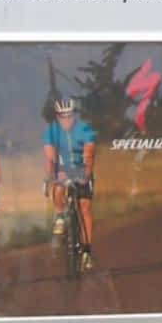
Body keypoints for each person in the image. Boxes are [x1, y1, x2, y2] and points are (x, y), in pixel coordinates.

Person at [42, 97, 97, 269]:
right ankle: (59, 215)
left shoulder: (85, 129)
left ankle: (87, 251)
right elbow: (49, 156)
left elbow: (89, 154)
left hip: (82, 167)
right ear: (57, 116)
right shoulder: (51, 131)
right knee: (58, 188)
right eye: (62, 116)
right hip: (62, 168)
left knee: (84, 207)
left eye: (70, 115)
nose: (66, 120)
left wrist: (85, 176)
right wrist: (52, 175)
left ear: (74, 115)